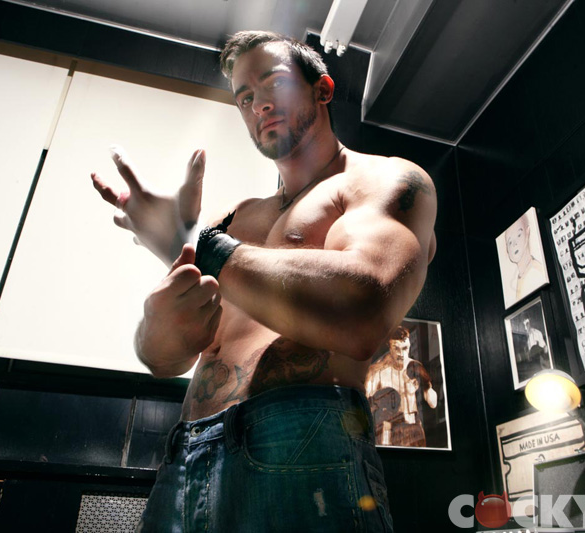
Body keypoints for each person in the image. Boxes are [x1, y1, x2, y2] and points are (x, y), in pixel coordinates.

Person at [89, 31, 437, 532]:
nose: (259, 105)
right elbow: (165, 361)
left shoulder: (382, 181)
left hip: (302, 442)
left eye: (273, 82)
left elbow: (362, 311)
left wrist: (192, 243)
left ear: (322, 89)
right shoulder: (233, 219)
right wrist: (156, 323)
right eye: (245, 97)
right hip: (186, 455)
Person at [365, 326, 438, 447]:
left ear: (409, 345)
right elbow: (364, 403)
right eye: (396, 348)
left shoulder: (415, 366)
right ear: (389, 346)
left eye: (405, 348)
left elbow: (433, 404)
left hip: (414, 427)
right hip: (388, 430)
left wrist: (427, 385)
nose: (401, 354)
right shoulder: (377, 371)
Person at [504, 212, 547, 302]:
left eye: (519, 235)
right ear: (507, 250)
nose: (514, 244)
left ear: (527, 233)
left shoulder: (535, 272)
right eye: (510, 242)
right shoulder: (518, 278)